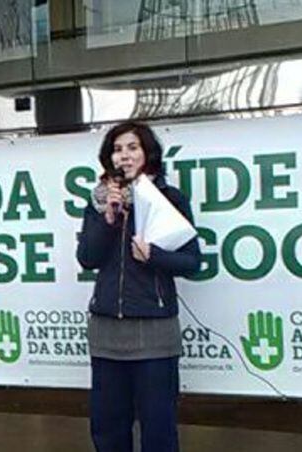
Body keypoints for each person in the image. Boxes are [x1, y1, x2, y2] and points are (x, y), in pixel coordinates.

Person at [76, 121, 202, 452]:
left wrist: (155, 256)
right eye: (117, 149)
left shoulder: (169, 199)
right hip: (106, 333)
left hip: (155, 333)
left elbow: (193, 263)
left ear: (147, 154)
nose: (124, 155)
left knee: (158, 429)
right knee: (107, 428)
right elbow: (87, 258)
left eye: (132, 147)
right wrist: (108, 219)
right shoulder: (98, 201)